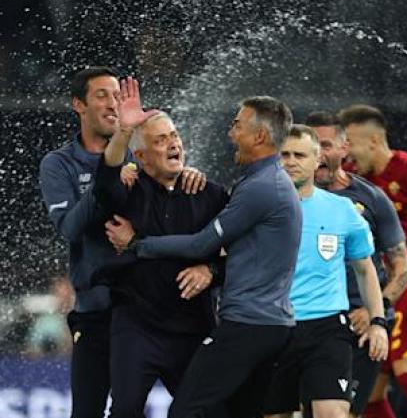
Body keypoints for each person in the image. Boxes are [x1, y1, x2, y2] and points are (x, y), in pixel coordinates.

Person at [107, 96, 301, 418]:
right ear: (140, 156)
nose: (231, 133)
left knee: (187, 412)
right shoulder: (262, 183)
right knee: (237, 412)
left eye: (238, 125)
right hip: (265, 321)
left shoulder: (255, 188)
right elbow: (104, 185)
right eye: (161, 139)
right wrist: (124, 161)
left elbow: (202, 244)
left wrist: (137, 244)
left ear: (259, 137)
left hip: (246, 324)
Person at [38, 67, 204, 418]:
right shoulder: (59, 164)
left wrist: (183, 174)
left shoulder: (142, 155)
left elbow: (176, 215)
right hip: (96, 311)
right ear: (78, 105)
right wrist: (109, 178)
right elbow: (70, 227)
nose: (113, 103)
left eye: (117, 95)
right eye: (102, 95)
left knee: (198, 405)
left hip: (152, 311)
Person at [94, 78, 228, 418]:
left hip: (193, 326)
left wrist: (210, 271)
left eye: (175, 136)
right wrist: (123, 132)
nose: (173, 145)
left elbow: (241, 254)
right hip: (137, 325)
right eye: (160, 140)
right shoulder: (129, 188)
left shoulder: (209, 194)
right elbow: (106, 178)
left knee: (204, 412)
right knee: (124, 410)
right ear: (140, 156)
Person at [262, 124, 388, 418]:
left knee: (333, 413)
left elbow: (366, 270)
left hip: (327, 328)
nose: (291, 161)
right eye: (285, 154)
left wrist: (378, 321)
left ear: (317, 159)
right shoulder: (257, 205)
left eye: (300, 155)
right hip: (273, 326)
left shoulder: (342, 210)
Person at [338, 104, 407, 418]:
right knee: (372, 388)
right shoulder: (356, 179)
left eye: (351, 144)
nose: (347, 153)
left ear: (373, 141)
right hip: (375, 284)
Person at [305, 111, 407, 417]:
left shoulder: (371, 198)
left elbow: (401, 268)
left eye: (326, 145)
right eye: (313, 146)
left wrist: (374, 311)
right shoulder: (286, 199)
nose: (319, 154)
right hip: (302, 323)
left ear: (344, 147)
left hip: (357, 327)